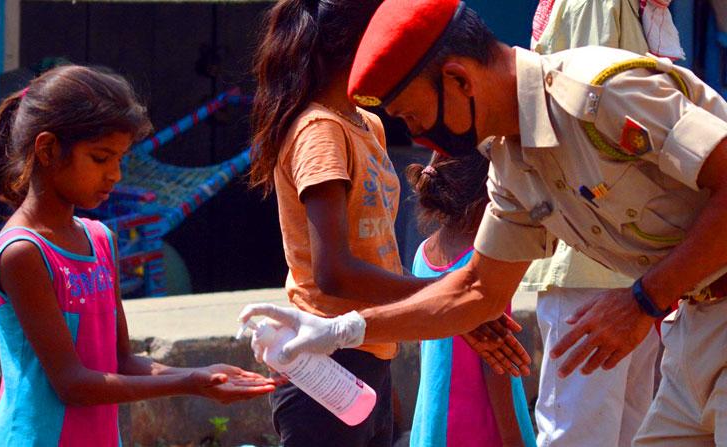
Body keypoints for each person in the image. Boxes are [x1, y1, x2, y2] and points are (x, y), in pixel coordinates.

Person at [240, 0, 727, 444]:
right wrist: (339, 331)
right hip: (695, 330)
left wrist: (643, 300)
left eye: (414, 116)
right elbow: (476, 291)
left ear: (458, 80)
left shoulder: (600, 91)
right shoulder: (514, 163)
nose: (419, 139)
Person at [248, 1, 527, 445]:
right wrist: (450, 301)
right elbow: (333, 272)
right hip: (324, 361)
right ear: (357, 43)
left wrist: (451, 308)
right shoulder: (319, 130)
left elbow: (373, 255)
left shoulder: (367, 125)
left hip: (371, 353)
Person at [0, 65, 276, 447]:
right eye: (100, 158)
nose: (115, 174)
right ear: (48, 149)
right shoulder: (24, 252)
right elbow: (72, 384)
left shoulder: (100, 240)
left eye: (120, 159)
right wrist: (190, 383)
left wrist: (204, 374)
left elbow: (122, 361)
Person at [526, 0, 662, 445]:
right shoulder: (599, 4)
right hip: (595, 259)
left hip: (632, 267)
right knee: (581, 433)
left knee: (632, 432)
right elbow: (593, 122)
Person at [406, 153, 536, 447]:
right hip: (484, 422)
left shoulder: (422, 254)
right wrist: (512, 438)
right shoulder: (485, 265)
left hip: (434, 419)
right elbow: (496, 363)